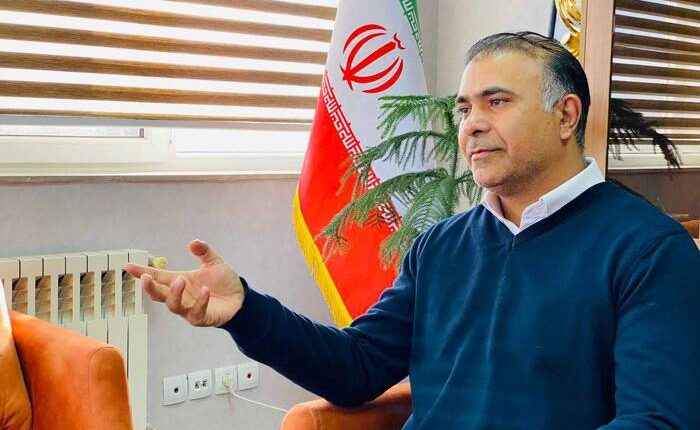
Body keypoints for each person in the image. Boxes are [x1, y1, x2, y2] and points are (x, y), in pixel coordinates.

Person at [125, 32, 700, 429]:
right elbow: (357, 368)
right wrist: (245, 311)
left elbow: (657, 420)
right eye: (464, 109)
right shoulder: (441, 246)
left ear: (566, 115)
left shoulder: (648, 251)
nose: (472, 125)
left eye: (497, 102)